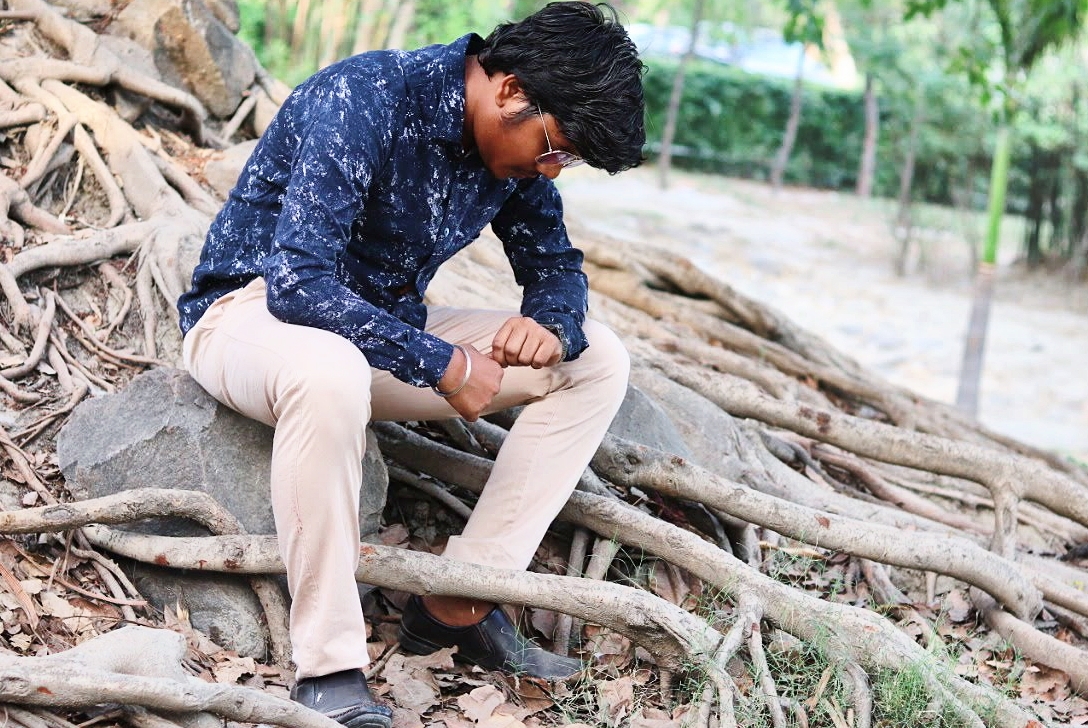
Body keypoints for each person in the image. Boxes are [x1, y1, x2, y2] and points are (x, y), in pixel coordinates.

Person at [177, 3, 645, 726]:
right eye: (557, 148)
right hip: (251, 317)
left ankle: (459, 601)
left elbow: (554, 263)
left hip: (379, 335)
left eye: (567, 160)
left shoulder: (516, 149)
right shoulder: (366, 97)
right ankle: (328, 670)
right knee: (329, 371)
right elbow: (299, 282)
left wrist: (550, 326)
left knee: (598, 360)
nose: (552, 168)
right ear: (511, 91)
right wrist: (442, 363)